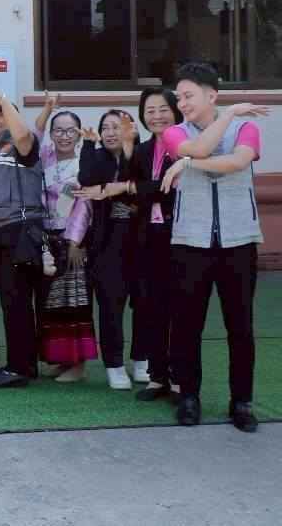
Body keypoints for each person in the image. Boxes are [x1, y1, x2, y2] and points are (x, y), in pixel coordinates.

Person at [159, 62, 268, 432]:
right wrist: (227, 117)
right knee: (186, 325)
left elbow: (237, 162)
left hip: (239, 241)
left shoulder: (247, 128)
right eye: (179, 98)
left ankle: (242, 402)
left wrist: (187, 164)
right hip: (191, 241)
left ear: (212, 95)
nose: (182, 103)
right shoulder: (174, 132)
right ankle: (189, 397)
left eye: (188, 96)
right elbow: (201, 147)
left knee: (241, 326)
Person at [0, 93, 45, 389]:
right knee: (9, 300)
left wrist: (4, 101)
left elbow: (24, 135)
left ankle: (20, 367)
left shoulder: (23, 143)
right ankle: (22, 362)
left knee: (17, 300)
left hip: (19, 230)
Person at [76, 109, 142, 391]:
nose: (111, 132)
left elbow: (144, 186)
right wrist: (88, 144)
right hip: (107, 243)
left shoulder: (142, 155)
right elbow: (86, 179)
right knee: (110, 307)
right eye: (106, 127)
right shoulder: (97, 156)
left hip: (141, 242)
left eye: (117, 127)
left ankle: (142, 359)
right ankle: (114, 365)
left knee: (145, 304)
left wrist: (128, 151)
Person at [32, 101, 97, 384]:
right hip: (46, 238)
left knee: (73, 302)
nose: (64, 136)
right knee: (50, 302)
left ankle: (78, 364)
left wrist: (75, 241)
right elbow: (32, 136)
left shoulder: (85, 163)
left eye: (70, 131)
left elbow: (84, 205)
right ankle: (60, 359)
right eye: (58, 130)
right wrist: (47, 110)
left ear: (79, 134)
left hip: (72, 240)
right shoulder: (44, 157)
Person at [130, 87, 183, 402]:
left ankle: (178, 378)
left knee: (179, 309)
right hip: (147, 237)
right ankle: (157, 376)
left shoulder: (185, 147)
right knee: (150, 307)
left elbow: (170, 190)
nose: (157, 116)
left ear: (175, 111)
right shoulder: (141, 151)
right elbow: (135, 192)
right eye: (150, 110)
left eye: (163, 109)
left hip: (179, 237)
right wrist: (142, 189)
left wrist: (140, 189)